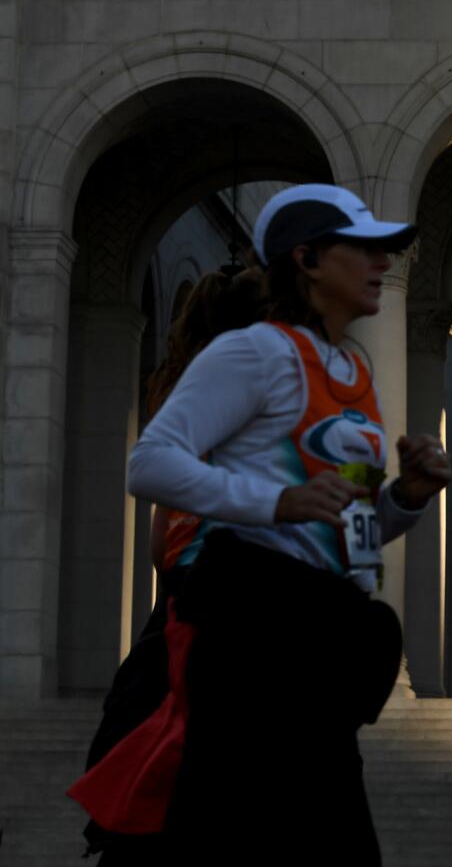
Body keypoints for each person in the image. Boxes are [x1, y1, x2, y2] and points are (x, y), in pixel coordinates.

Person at [122, 183, 450, 865]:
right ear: (306, 260)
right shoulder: (254, 353)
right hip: (254, 639)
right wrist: (272, 502)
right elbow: (150, 464)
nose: (383, 262)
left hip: (321, 645)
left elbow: (343, 524)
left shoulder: (354, 368)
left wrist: (407, 497)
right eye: (362, 249)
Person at [69, 268, 267, 863]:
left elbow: (159, 545)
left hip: (178, 607)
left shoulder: (181, 399)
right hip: (228, 599)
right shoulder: (257, 393)